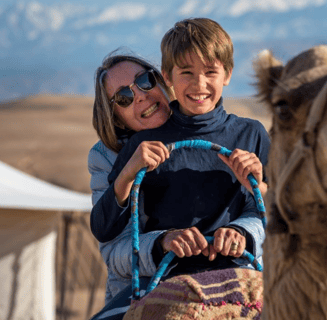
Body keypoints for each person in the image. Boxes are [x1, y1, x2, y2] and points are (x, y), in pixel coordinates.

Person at [89, 19, 269, 319]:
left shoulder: (251, 135)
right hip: (162, 278)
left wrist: (252, 201)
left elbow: (280, 214)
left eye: (210, 72)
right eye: (187, 73)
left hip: (238, 271)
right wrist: (130, 175)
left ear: (228, 74)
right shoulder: (142, 146)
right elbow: (106, 231)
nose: (199, 85)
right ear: (170, 76)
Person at [88, 48, 175, 304]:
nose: (140, 96)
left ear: (161, 79)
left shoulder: (207, 129)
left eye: (144, 80)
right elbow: (114, 251)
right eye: (123, 97)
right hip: (136, 294)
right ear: (117, 117)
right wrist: (162, 244)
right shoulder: (106, 157)